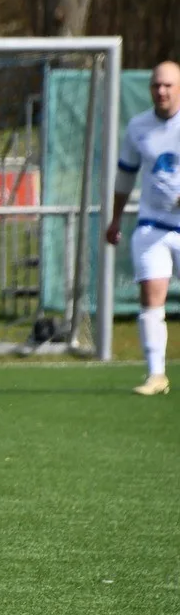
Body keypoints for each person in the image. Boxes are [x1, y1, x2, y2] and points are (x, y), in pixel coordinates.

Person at [106, 60, 180, 396]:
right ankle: (156, 374)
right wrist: (115, 218)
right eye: (156, 85)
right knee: (151, 296)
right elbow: (126, 175)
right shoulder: (138, 127)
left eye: (168, 85)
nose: (161, 91)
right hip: (152, 226)